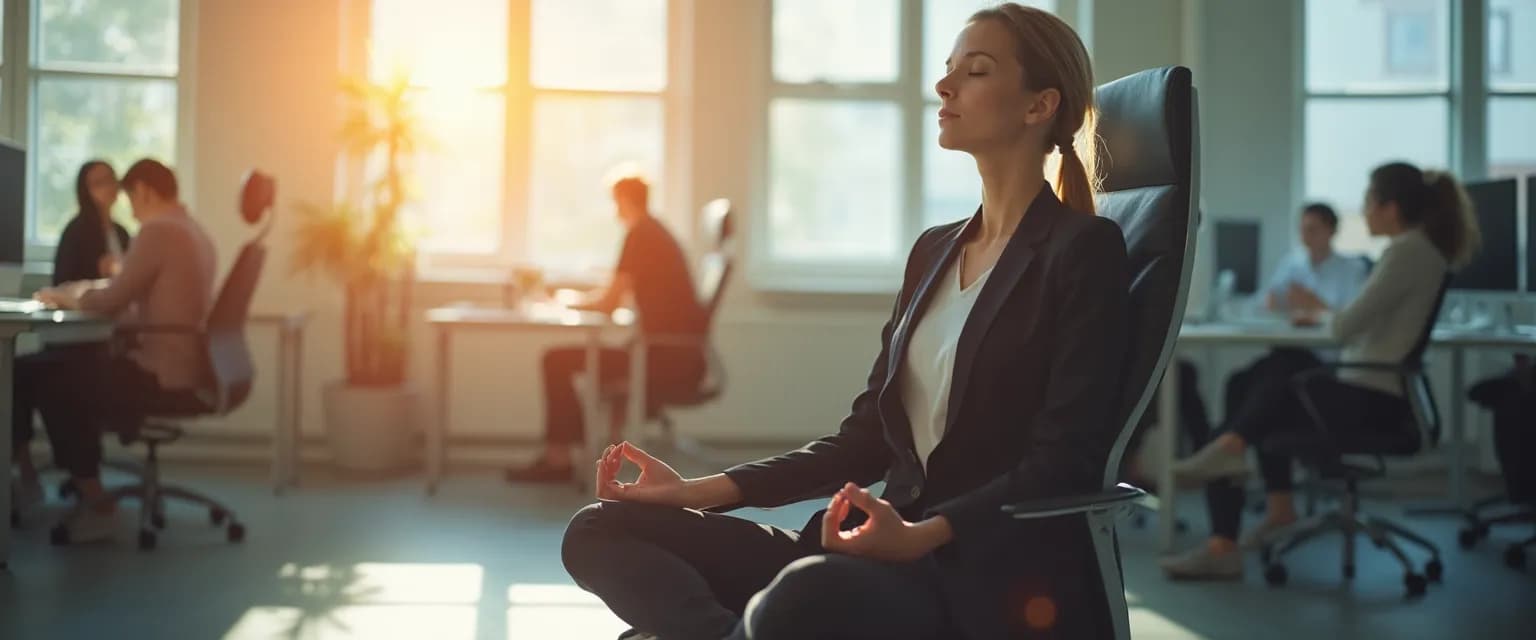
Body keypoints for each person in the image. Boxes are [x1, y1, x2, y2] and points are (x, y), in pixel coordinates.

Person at [560, 5, 1132, 638]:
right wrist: (695, 491)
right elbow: (862, 442)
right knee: (596, 528)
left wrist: (921, 535)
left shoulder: (1083, 249)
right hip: (865, 545)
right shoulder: (935, 251)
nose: (944, 86)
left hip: (963, 567)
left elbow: (1066, 460)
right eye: (947, 70)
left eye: (975, 71)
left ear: (1037, 105)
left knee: (799, 597)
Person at [1161, 162, 1481, 580]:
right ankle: (1259, 493)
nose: (1364, 212)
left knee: (1280, 369)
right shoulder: (1417, 251)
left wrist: (1315, 310)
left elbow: (1347, 326)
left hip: (1373, 401)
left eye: (1368, 202)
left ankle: (1228, 524)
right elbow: (1353, 324)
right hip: (1374, 393)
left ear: (1391, 207)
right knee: (1249, 381)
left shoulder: (1406, 252)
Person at [21, 159, 216, 543]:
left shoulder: (159, 230)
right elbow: (136, 297)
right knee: (64, 368)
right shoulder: (193, 230)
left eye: (130, 196)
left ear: (144, 190)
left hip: (158, 371)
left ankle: (94, 500)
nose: (129, 206)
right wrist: (92, 295)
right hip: (183, 365)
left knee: (48, 376)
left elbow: (112, 300)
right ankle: (66, 482)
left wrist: (67, 298)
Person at [504, 175, 708, 484]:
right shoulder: (656, 232)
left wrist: (568, 303)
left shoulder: (640, 234)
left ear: (624, 200)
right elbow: (623, 298)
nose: (615, 212)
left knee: (556, 361)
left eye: (616, 203)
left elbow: (609, 303)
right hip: (671, 354)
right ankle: (580, 451)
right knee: (571, 359)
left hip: (659, 359)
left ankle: (561, 458)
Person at [10, 160, 131, 522]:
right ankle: (24, 465)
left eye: (111, 180)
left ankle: (76, 477)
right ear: (84, 189)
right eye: (97, 182)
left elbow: (126, 291)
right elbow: (63, 289)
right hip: (75, 339)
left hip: (106, 344)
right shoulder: (77, 232)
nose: (106, 188)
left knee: (45, 376)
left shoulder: (124, 234)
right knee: (20, 372)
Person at [1259, 202, 1369, 314]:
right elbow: (1267, 302)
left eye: (1312, 230)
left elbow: (1355, 319)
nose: (1305, 236)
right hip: (1290, 331)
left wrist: (1316, 306)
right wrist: (1273, 303)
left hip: (1331, 331)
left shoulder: (1353, 269)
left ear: (1332, 231)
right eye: (1302, 230)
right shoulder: (1289, 264)